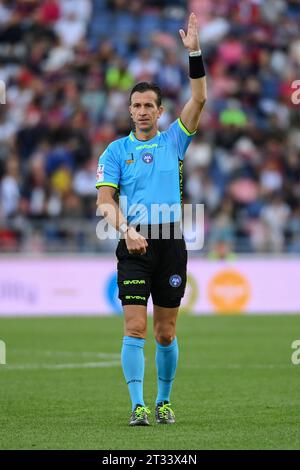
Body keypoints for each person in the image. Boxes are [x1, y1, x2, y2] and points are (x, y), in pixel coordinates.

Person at [96, 12, 207, 426]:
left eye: (149, 106)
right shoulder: (113, 152)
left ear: (160, 112)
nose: (142, 111)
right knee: (135, 326)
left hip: (171, 243)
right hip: (134, 244)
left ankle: (164, 401)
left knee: (165, 332)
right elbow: (104, 202)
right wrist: (126, 229)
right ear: (129, 111)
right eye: (136, 105)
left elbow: (199, 99)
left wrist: (194, 52)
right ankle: (137, 406)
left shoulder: (175, 140)